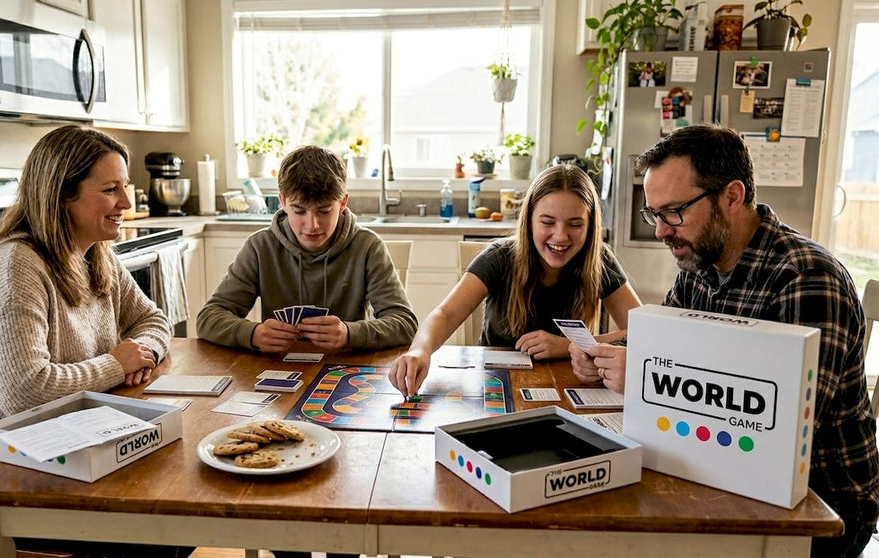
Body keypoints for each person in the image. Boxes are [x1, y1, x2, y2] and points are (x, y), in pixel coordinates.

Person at [569, 124, 879, 557]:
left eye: (673, 212)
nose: (661, 231)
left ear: (732, 197)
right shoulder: (700, 262)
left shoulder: (806, 277)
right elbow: (662, 339)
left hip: (820, 505)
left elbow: (786, 423)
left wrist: (644, 376)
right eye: (654, 214)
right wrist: (606, 354)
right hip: (721, 469)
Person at [0, 125, 188, 557]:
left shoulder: (94, 253)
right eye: (110, 190)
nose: (126, 203)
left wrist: (142, 352)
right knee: (160, 531)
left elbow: (152, 319)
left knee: (177, 508)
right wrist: (116, 364)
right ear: (62, 196)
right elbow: (25, 391)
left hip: (71, 442)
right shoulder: (15, 267)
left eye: (124, 187)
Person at [389, 164, 642, 398]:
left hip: (568, 388)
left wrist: (566, 345)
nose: (560, 236)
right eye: (547, 222)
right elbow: (445, 314)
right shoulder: (499, 257)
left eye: (575, 224)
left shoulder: (599, 260)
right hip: (495, 387)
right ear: (529, 219)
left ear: (590, 226)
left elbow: (644, 332)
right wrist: (420, 350)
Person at [197, 144, 417, 355]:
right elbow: (208, 318)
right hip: (277, 368)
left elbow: (405, 323)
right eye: (299, 211)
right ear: (283, 202)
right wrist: (253, 334)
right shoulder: (260, 247)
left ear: (342, 203)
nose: (312, 225)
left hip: (345, 367)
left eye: (324, 211)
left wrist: (350, 333)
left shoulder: (368, 247)